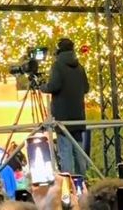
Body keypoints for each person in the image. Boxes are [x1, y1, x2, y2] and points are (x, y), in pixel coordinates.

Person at [41, 38, 89, 175]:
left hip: (62, 118)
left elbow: (54, 86)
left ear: (59, 50)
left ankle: (69, 187)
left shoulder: (57, 66)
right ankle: (83, 182)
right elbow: (86, 88)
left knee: (65, 153)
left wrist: (43, 87)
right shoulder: (80, 67)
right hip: (78, 117)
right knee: (79, 153)